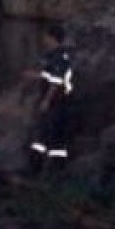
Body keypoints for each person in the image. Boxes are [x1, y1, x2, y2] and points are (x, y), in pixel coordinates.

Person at [28, 21, 75, 166]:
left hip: (57, 101)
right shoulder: (52, 56)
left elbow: (56, 81)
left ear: (52, 38)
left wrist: (46, 100)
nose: (44, 39)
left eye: (46, 36)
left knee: (53, 132)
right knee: (44, 133)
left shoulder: (60, 57)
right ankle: (40, 164)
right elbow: (48, 75)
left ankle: (54, 166)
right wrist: (36, 76)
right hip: (53, 100)